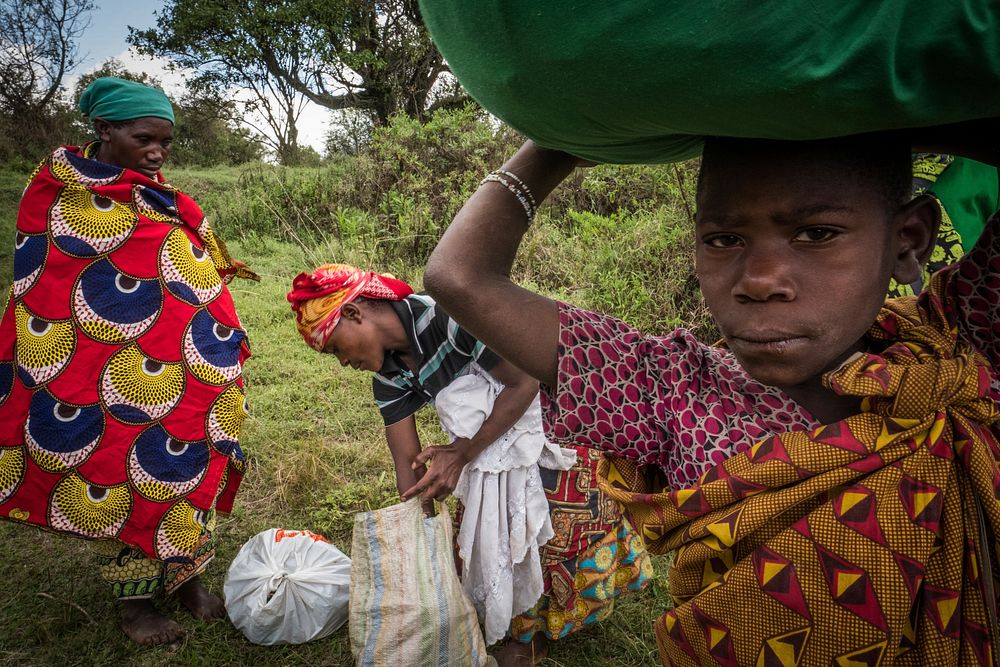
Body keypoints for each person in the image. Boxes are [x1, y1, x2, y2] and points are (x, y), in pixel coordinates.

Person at [424, 133, 1000, 663]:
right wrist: (558, 143)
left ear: (909, 239)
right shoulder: (670, 388)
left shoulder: (955, 338)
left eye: (817, 233)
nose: (760, 278)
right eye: (724, 239)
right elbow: (460, 278)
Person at [287, 264, 652, 666]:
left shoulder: (448, 316)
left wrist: (460, 455)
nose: (341, 362)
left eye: (336, 348)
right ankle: (519, 621)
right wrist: (418, 522)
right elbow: (405, 460)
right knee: (486, 537)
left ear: (355, 313)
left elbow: (525, 383)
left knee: (546, 528)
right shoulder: (389, 375)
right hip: (488, 448)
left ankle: (537, 635)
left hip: (548, 424)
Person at [0, 77, 256, 646]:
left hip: (189, 362)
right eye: (144, 138)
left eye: (165, 141)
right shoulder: (58, 193)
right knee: (124, 470)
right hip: (106, 366)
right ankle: (136, 607)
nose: (157, 151)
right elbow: (49, 281)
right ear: (104, 130)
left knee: (190, 455)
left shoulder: (150, 191)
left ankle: (187, 577)